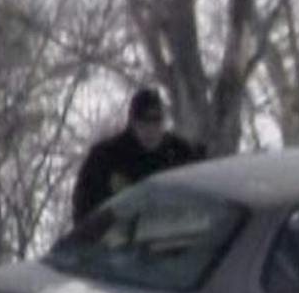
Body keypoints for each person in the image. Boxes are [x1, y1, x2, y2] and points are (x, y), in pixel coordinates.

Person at [70, 87, 206, 225]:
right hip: (120, 241)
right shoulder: (106, 158)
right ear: (132, 123)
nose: (150, 129)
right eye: (144, 122)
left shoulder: (180, 154)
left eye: (156, 121)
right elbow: (84, 210)